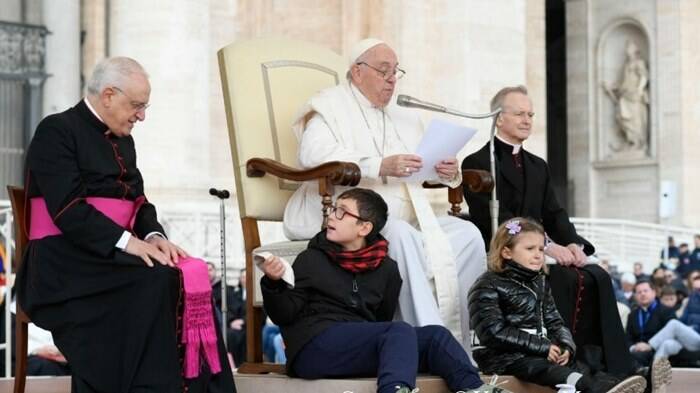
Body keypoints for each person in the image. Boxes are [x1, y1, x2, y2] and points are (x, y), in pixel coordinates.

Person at [15, 57, 235, 392]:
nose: (141, 116)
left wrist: (154, 235)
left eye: (145, 107)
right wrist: (127, 242)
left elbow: (139, 202)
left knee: (186, 273)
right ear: (108, 95)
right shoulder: (56, 130)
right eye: (136, 106)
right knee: (155, 279)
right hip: (63, 261)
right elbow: (69, 209)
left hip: (107, 255)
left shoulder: (124, 139)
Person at [283, 38, 485, 346]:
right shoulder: (330, 105)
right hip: (355, 219)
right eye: (384, 70)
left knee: (467, 234)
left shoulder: (404, 113)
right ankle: (429, 343)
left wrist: (446, 171)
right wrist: (379, 165)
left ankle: (467, 343)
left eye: (395, 72)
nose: (392, 79)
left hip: (410, 215)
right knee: (401, 236)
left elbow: (419, 164)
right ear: (357, 71)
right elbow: (312, 156)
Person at [462, 85, 637, 378]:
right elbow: (497, 218)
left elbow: (554, 212)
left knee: (598, 276)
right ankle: (573, 367)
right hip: (509, 251)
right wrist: (544, 245)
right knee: (562, 278)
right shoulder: (478, 162)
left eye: (530, 114)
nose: (528, 119)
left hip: (539, 249)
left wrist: (573, 245)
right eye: (519, 113)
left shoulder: (537, 165)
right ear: (497, 119)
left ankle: (614, 369)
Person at [263, 188, 504, 393]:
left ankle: (473, 388)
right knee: (398, 331)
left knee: (436, 336)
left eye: (341, 211)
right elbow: (284, 315)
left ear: (364, 227)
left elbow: (380, 320)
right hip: (313, 348)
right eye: (333, 209)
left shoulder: (387, 269)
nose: (331, 217)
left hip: (354, 349)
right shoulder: (311, 259)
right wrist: (274, 283)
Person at [468, 218, 646, 392]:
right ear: (506, 252)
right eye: (530, 249)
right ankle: (600, 389)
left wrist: (565, 345)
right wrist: (542, 346)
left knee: (583, 366)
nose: (538, 254)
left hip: (535, 352)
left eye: (540, 248)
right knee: (554, 372)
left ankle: (628, 383)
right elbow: (492, 332)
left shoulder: (540, 283)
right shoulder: (487, 284)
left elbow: (555, 322)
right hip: (502, 358)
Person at [627, 280, 676, 367]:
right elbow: (628, 337)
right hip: (636, 351)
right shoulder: (632, 315)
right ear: (635, 296)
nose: (642, 294)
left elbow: (671, 335)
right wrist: (633, 347)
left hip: (657, 351)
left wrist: (650, 346)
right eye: (639, 292)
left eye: (645, 291)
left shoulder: (666, 311)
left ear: (654, 293)